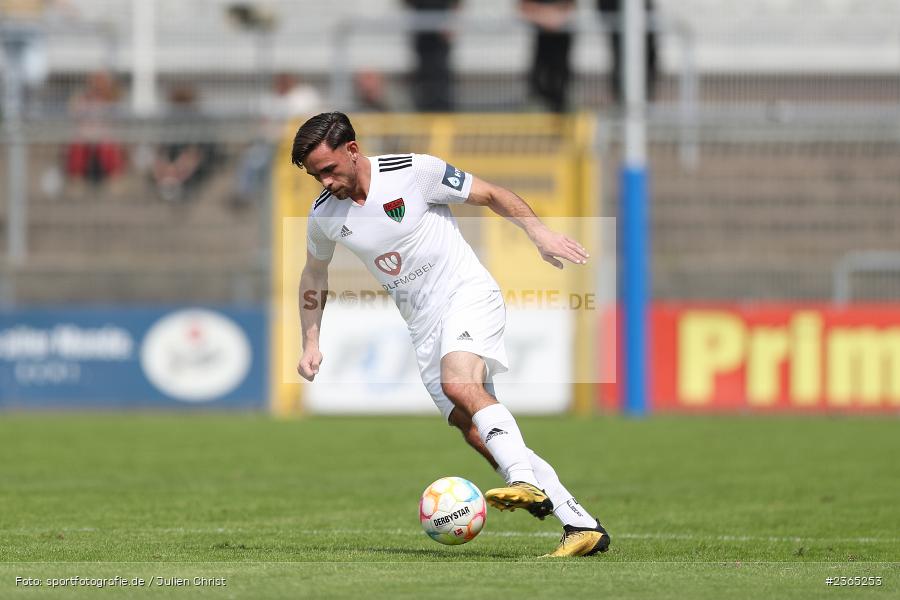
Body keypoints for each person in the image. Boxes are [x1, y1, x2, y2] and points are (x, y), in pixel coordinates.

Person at [292, 111, 610, 558]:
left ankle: (522, 480)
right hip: (422, 327)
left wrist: (539, 233)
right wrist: (310, 340)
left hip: (467, 295)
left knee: (459, 382)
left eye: (328, 170)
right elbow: (313, 273)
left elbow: (493, 194)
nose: (325, 182)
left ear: (352, 150)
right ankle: (579, 523)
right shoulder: (325, 214)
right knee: (473, 429)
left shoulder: (414, 172)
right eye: (315, 176)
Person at [150, 85, 218, 202]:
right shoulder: (168, 122)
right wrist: (165, 168)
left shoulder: (200, 123)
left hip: (197, 166)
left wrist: (178, 168)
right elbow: (161, 150)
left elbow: (198, 152)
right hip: (175, 163)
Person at [597, 0, 659, 105]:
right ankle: (622, 102)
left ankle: (644, 100)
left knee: (646, 59)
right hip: (617, 12)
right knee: (622, 61)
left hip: (638, 16)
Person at [519, 0, 575, 113]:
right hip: (542, 48)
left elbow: (570, 5)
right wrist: (544, 17)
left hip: (561, 45)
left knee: (558, 79)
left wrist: (556, 17)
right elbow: (524, 6)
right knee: (540, 80)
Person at [404, 0, 459, 112]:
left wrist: (452, 21)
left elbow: (456, 5)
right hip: (422, 39)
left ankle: (443, 116)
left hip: (441, 42)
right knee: (424, 82)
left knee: (441, 80)